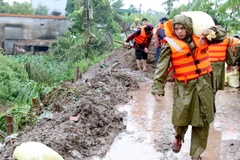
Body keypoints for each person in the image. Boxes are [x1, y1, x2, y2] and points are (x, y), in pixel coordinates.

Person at [152, 14, 227, 160]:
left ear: (188, 28)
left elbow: (223, 35)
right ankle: (178, 137)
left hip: (204, 85)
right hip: (184, 87)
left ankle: (196, 154)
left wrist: (212, 31)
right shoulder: (170, 44)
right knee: (181, 119)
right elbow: (161, 67)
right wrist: (157, 88)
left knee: (202, 121)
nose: (179, 31)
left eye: (182, 28)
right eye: (177, 28)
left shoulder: (202, 38)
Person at [208, 18, 240, 112]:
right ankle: (210, 107)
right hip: (219, 64)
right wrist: (230, 63)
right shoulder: (226, 35)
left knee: (209, 86)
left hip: (206, 63)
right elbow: (229, 50)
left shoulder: (208, 35)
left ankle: (210, 108)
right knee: (214, 86)